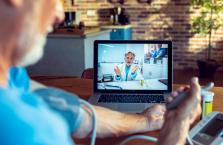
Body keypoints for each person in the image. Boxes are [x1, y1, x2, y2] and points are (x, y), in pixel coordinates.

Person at [0, 0, 201, 145]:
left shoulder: (12, 77)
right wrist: (177, 126)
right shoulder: (30, 131)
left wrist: (146, 120)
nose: (60, 15)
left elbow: (71, 111)